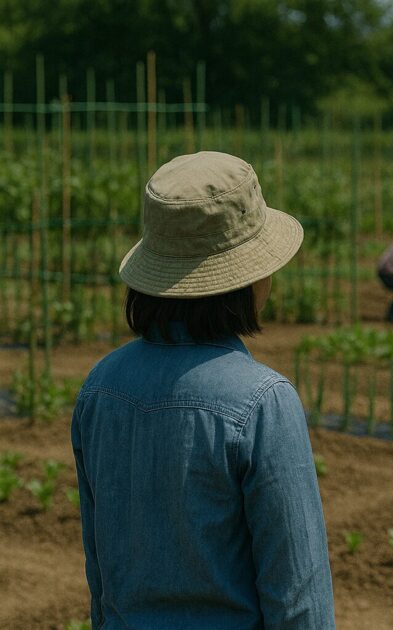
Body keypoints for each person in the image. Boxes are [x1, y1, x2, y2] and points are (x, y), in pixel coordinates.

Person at [71, 152, 335, 628]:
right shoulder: (262, 401)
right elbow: (298, 598)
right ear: (248, 278)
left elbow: (101, 570)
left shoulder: (100, 387)